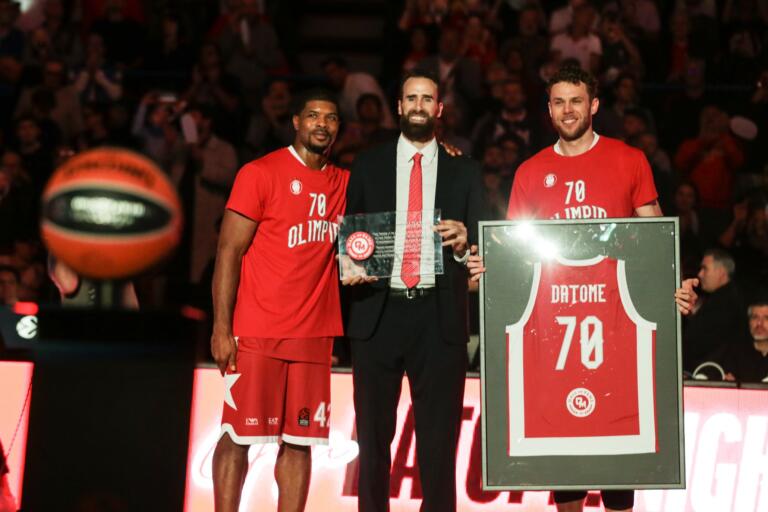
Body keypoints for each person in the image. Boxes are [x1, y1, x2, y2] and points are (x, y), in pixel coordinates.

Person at [467, 66, 697, 512]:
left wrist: (676, 287)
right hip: (554, 331)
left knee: (618, 457)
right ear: (549, 109)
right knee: (564, 452)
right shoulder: (531, 171)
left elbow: (656, 242)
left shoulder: (629, 159)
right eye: (559, 102)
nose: (567, 110)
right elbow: (514, 254)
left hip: (616, 324)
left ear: (594, 105)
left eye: (576, 101)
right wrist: (485, 268)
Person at [343, 69, 484, 512]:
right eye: (412, 98)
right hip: (377, 313)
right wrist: (352, 263)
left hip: (438, 316)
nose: (419, 106)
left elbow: (482, 250)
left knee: (439, 445)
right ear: (399, 106)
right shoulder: (367, 164)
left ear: (438, 109)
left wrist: (465, 243)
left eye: (427, 99)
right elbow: (351, 235)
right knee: (372, 441)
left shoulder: (465, 170)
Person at [210, 89, 347, 512]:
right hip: (257, 330)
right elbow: (228, 251)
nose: (322, 124)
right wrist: (221, 327)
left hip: (314, 335)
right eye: (313, 115)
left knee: (301, 441)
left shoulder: (344, 183)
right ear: (296, 122)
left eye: (331, 118)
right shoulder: (260, 173)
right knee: (238, 436)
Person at [683, 249, 746, 373]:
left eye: (705, 269)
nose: (700, 274)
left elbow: (701, 341)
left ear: (721, 272)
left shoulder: (725, 302)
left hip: (710, 373)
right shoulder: (723, 298)